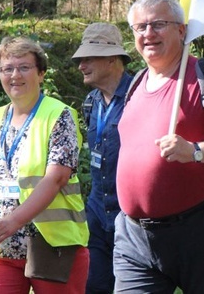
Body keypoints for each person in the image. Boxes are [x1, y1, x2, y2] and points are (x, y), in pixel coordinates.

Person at [113, 0, 204, 293]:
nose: (148, 34)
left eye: (158, 24)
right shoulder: (136, 84)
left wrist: (195, 151)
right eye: (140, 27)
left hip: (199, 230)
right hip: (134, 237)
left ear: (182, 30)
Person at [0, 36, 90, 293]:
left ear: (41, 74)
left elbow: (57, 178)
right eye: (7, 68)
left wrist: (13, 221)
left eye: (24, 67)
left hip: (51, 246)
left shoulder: (58, 114)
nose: (15, 75)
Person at [72, 23, 133, 294]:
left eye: (88, 58)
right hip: (97, 214)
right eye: (80, 59)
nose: (81, 66)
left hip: (132, 218)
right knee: (94, 287)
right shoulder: (91, 102)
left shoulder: (139, 96)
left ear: (112, 58)